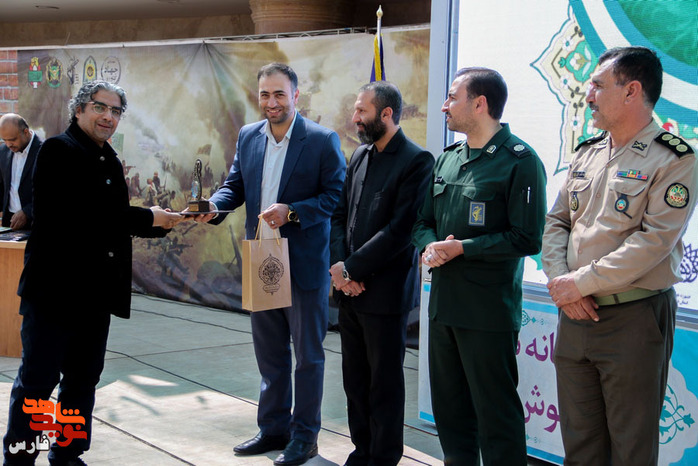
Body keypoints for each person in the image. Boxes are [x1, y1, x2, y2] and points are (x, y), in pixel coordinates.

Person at [2, 80, 183, 466]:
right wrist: (149, 218)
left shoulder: (108, 159)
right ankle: (19, 459)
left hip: (95, 296)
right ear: (79, 109)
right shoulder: (57, 150)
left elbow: (112, 224)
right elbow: (84, 216)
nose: (108, 117)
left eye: (116, 111)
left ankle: (67, 454)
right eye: (100, 107)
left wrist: (165, 222)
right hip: (54, 295)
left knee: (82, 381)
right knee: (38, 384)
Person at [542, 46, 697, 466]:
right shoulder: (588, 151)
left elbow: (654, 242)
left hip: (633, 319)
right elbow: (556, 221)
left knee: (631, 451)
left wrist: (579, 283)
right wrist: (561, 283)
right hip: (575, 316)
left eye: (597, 85)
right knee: (580, 448)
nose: (588, 94)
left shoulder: (674, 158)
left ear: (631, 91)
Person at [191, 63, 345, 465]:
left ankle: (305, 437)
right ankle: (273, 428)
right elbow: (235, 186)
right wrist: (214, 207)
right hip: (262, 260)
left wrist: (291, 212)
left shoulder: (321, 140)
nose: (271, 102)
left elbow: (334, 196)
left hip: (303, 265)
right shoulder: (249, 135)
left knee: (307, 357)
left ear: (296, 95)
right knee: (270, 354)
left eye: (279, 94)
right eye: (264, 94)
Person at [412, 67, 547, 465]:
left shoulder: (520, 161)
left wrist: (464, 249)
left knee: (496, 414)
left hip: (487, 312)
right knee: (450, 413)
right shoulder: (448, 158)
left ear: (479, 103)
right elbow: (422, 223)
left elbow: (527, 238)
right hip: (444, 308)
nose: (444, 106)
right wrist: (430, 246)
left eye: (452, 97)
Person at [329, 81, 434, 465]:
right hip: (348, 292)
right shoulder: (360, 155)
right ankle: (362, 451)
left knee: (384, 384)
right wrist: (340, 269)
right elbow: (340, 215)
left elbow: (400, 231)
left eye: (362, 111)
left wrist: (351, 268)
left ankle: (384, 458)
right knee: (355, 381)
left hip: (384, 296)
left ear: (386, 114)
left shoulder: (417, 161)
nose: (355, 117)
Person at [0, 114, 42, 230]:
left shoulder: (45, 151)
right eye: (4, 140)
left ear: (26, 132)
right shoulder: (3, 151)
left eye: (12, 140)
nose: (8, 144)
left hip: (36, 224)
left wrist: (27, 212)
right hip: (10, 224)